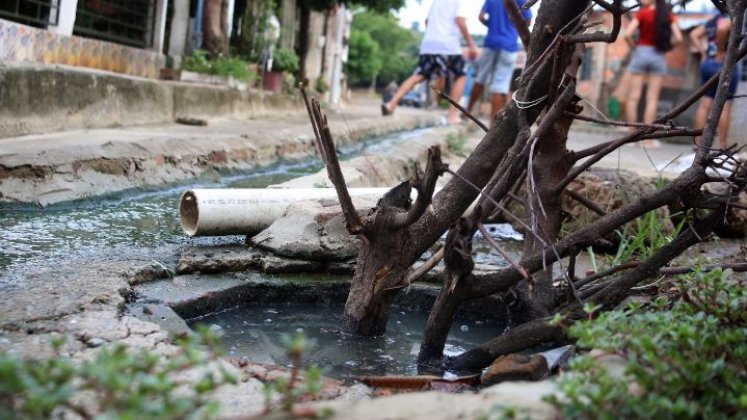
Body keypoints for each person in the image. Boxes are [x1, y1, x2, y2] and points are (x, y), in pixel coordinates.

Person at [381, 0, 479, 124]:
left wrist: (435, 33)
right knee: (461, 75)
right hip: (447, 45)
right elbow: (460, 20)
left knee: (418, 75)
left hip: (429, 43)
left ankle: (391, 104)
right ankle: (452, 116)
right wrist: (471, 44)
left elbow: (427, 22)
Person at [623, 0, 682, 146]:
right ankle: (648, 139)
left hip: (641, 52)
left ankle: (631, 136)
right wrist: (667, 48)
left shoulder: (643, 13)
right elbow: (679, 38)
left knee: (633, 97)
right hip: (659, 55)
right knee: (652, 99)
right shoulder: (667, 15)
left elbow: (627, 34)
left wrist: (634, 48)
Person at [467, 0, 532, 120]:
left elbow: (481, 16)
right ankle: (492, 123)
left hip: (490, 43)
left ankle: (467, 113)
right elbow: (528, 20)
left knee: (480, 78)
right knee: (500, 84)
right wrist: (513, 28)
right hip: (509, 46)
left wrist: (491, 25)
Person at [691, 12, 740, 150]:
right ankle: (721, 147)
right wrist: (719, 51)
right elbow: (723, 29)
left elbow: (694, 34)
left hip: (708, 62)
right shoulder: (733, 16)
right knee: (725, 105)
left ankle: (698, 144)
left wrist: (703, 53)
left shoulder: (715, 17)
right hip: (723, 62)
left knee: (705, 104)